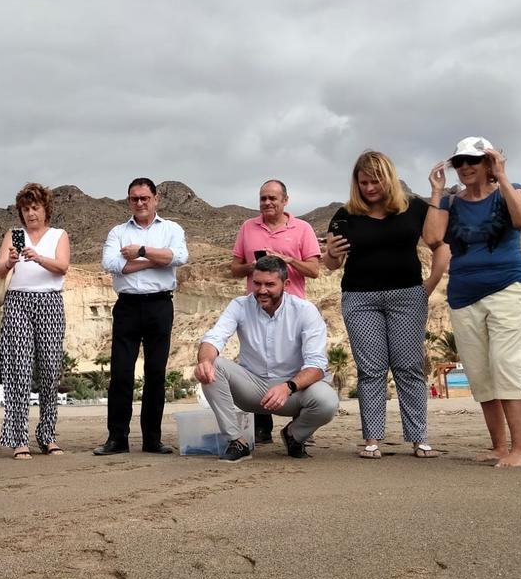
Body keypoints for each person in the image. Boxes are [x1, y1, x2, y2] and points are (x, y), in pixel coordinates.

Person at [322, 151, 450, 459]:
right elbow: (329, 264)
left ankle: (419, 439)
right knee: (371, 370)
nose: (369, 187)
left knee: (409, 368)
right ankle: (372, 440)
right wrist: (333, 254)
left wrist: (429, 286)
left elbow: (438, 242)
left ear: (389, 178)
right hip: (360, 299)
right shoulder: (344, 215)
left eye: (375, 180)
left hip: (407, 296)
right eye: (363, 182)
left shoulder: (414, 208)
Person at [427, 137, 521, 468]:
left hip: (507, 288)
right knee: (480, 371)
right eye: (459, 161)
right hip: (463, 294)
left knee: (506, 364)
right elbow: (433, 239)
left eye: (473, 160)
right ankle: (499, 446)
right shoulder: (451, 203)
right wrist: (436, 193)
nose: (465, 167)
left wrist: (502, 176)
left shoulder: (510, 189)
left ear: (489, 162)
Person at [194, 256, 338, 461]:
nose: (262, 290)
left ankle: (294, 435)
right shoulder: (240, 305)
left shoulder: (305, 311)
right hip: (253, 388)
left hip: (294, 391)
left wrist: (288, 386)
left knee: (328, 402)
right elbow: (214, 338)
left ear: (286, 284)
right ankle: (236, 440)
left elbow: (316, 365)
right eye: (257, 283)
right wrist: (205, 361)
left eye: (270, 284)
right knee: (211, 366)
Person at [95, 178, 189, 456]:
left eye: (145, 198)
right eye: (134, 198)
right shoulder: (118, 232)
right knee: (121, 373)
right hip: (127, 306)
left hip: (160, 305)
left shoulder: (171, 229)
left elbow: (180, 257)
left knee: (156, 373)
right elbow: (112, 264)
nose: (140, 203)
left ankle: (152, 438)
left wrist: (142, 252)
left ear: (155, 199)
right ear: (129, 201)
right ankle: (117, 438)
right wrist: (156, 261)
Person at [230, 179, 321, 444]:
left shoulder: (302, 228)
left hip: (293, 309)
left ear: (285, 200)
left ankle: (299, 424)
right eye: (263, 198)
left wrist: (287, 260)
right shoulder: (248, 227)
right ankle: (261, 425)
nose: (267, 203)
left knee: (298, 362)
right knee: (257, 362)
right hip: (257, 307)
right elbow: (234, 269)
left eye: (272, 198)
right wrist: (255, 266)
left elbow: (315, 270)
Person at [0, 183, 70, 459]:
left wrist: (38, 257)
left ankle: (47, 435)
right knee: (18, 371)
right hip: (17, 303)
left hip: (50, 302)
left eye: (35, 208)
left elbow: (62, 266)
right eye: (25, 209)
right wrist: (11, 261)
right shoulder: (13, 235)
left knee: (50, 370)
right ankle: (19, 438)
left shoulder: (59, 235)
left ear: (45, 209)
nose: (30, 214)